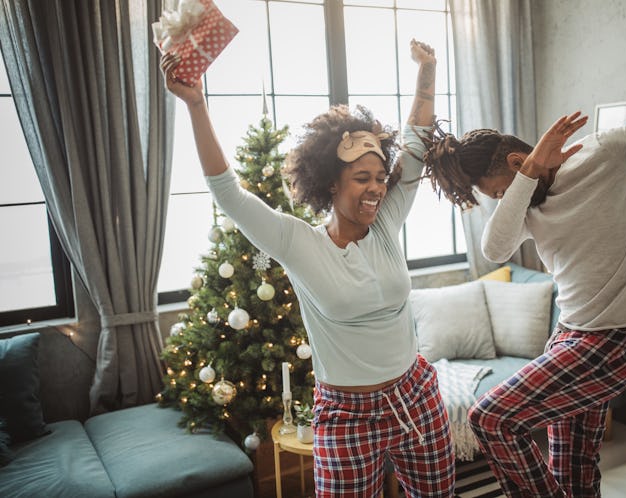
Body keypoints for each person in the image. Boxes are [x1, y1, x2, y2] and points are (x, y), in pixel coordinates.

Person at [161, 39, 455, 497]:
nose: (377, 188)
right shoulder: (298, 243)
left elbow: (416, 143)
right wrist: (197, 103)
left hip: (414, 396)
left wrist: (427, 70)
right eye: (363, 178)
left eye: (380, 177)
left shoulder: (387, 222)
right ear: (330, 184)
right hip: (346, 414)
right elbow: (229, 195)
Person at [423, 114, 626, 497]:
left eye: (499, 193)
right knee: (573, 470)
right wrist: (524, 179)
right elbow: (494, 249)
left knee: (491, 417)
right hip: (568, 339)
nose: (504, 202)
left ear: (514, 162)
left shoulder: (607, 153)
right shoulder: (526, 202)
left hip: (616, 341)